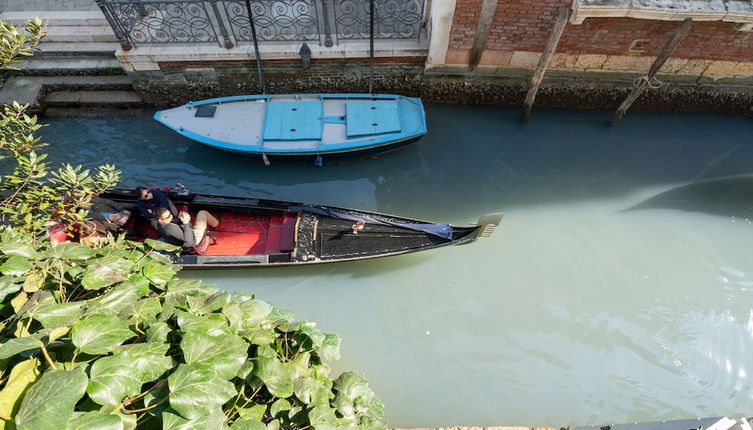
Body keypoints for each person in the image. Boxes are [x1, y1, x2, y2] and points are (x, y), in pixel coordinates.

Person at [154, 206, 219, 249]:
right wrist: (185, 222)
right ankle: (215, 224)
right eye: (168, 217)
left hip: (185, 236)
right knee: (202, 213)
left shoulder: (160, 224)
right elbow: (188, 239)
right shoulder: (170, 228)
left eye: (170, 214)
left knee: (181, 214)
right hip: (194, 240)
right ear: (160, 220)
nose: (171, 216)